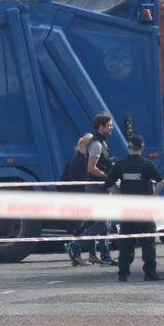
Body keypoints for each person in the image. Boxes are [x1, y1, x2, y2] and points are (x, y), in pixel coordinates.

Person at [103, 134, 164, 281]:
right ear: (142, 147)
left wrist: (119, 195)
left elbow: (108, 184)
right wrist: (154, 196)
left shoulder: (120, 165)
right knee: (148, 243)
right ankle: (150, 274)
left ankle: (123, 274)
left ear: (129, 147)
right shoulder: (147, 164)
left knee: (125, 244)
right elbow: (161, 181)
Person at [69, 114, 116, 266]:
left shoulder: (102, 143)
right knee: (102, 223)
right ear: (100, 127)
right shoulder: (96, 145)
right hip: (96, 188)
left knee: (106, 223)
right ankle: (75, 245)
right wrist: (108, 176)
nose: (111, 128)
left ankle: (106, 257)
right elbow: (91, 168)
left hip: (101, 187)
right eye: (109, 125)